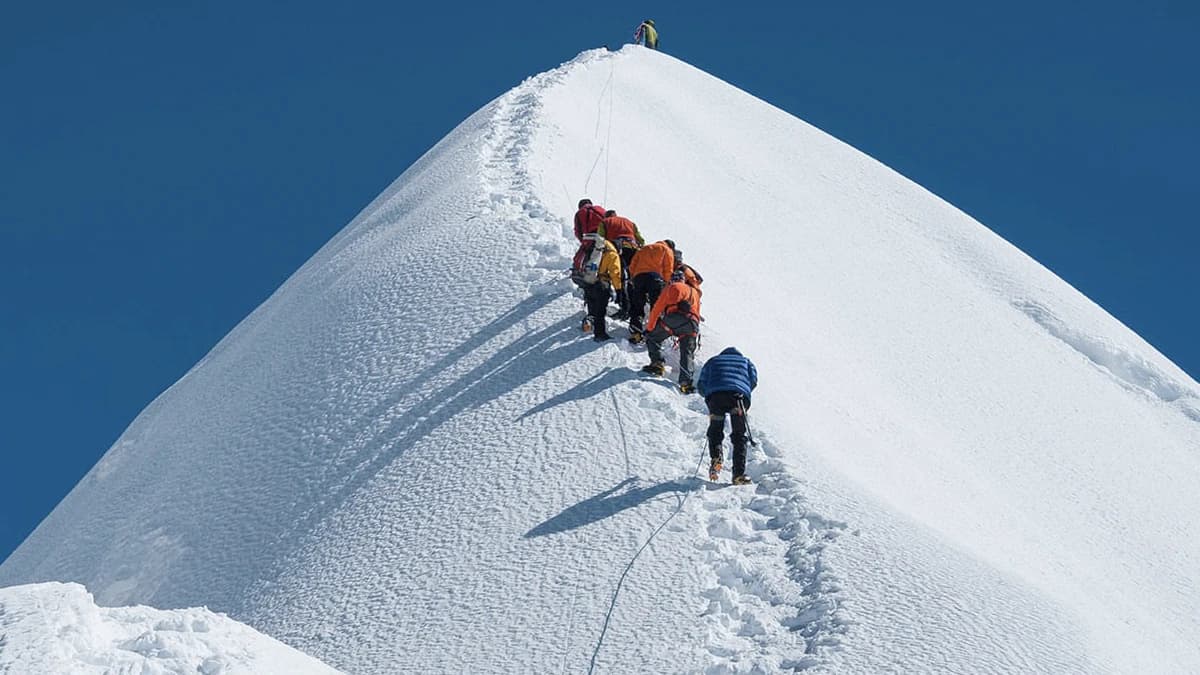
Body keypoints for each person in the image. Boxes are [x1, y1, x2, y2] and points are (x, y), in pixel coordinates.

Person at [697, 347, 758, 484]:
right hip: (738, 398)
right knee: (739, 434)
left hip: (716, 398)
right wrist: (744, 390)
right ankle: (738, 474)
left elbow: (701, 383)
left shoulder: (712, 361)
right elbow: (753, 380)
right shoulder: (746, 362)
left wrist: (708, 395)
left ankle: (716, 457)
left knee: (715, 430)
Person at [642, 269, 702, 393]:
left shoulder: (671, 287)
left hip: (674, 318)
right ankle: (686, 383)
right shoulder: (695, 293)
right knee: (687, 352)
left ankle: (657, 365)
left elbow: (657, 309)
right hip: (692, 325)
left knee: (653, 337)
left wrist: (649, 329)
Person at [572, 234, 623, 341]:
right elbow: (615, 273)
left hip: (588, 281)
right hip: (601, 284)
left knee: (592, 306)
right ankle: (600, 334)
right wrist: (619, 289)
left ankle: (589, 323)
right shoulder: (612, 253)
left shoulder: (595, 249)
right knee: (600, 311)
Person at [625, 239, 676, 343]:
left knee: (637, 305)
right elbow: (668, 268)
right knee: (656, 306)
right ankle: (654, 331)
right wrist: (666, 283)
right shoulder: (667, 250)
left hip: (639, 278)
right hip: (656, 279)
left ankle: (636, 331)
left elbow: (632, 264)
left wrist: (633, 277)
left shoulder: (644, 248)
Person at [598, 209, 645, 319]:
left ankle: (625, 307)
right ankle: (635, 307)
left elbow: (600, 240)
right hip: (633, 249)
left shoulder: (604, 222)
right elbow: (641, 240)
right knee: (632, 278)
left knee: (621, 278)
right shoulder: (629, 222)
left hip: (618, 249)